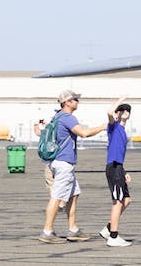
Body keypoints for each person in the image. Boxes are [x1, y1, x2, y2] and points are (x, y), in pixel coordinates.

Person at [39, 90, 108, 244]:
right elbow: (83, 133)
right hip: (64, 163)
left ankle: (73, 229)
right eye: (75, 99)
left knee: (74, 194)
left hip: (58, 161)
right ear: (67, 103)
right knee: (56, 197)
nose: (78, 102)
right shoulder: (68, 118)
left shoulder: (56, 117)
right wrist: (103, 127)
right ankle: (47, 231)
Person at [101, 103, 134, 246]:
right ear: (117, 113)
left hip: (118, 167)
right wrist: (120, 99)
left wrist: (124, 171)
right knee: (118, 201)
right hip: (113, 168)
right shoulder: (113, 126)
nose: (125, 111)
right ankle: (113, 237)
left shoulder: (123, 130)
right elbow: (109, 112)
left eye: (128, 110)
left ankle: (108, 229)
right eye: (122, 110)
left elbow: (117, 153)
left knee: (126, 200)